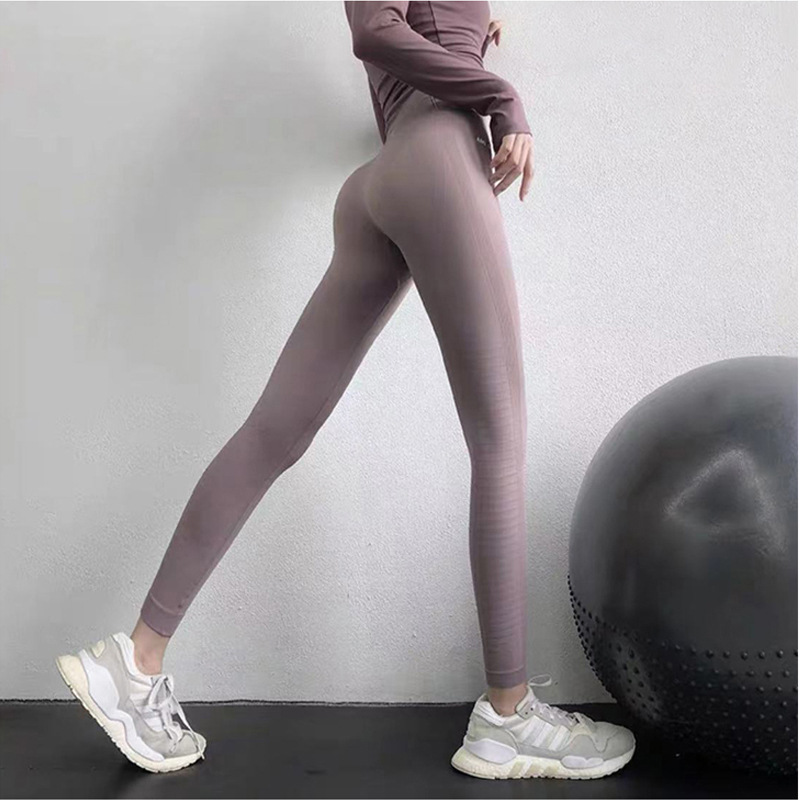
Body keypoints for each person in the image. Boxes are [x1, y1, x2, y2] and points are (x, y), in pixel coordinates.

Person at [55, 1, 636, 780]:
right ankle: (507, 716)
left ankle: (136, 661)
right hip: (437, 156)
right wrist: (499, 95)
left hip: (384, 179)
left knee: (274, 433)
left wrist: (469, 32)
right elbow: (375, 31)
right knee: (499, 440)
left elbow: (405, 34)